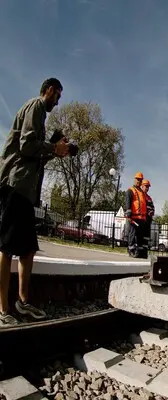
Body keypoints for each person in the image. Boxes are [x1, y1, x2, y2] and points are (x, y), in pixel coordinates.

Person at [0, 78, 70, 326]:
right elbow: (26, 145)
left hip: (27, 191)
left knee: (27, 248)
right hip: (15, 184)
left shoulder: (41, 116)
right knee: (7, 247)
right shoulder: (36, 106)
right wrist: (53, 148)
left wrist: (56, 149)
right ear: (49, 90)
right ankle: (3, 309)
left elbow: (35, 156)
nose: (57, 102)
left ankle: (22, 301)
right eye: (57, 96)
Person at [125, 172, 148, 258]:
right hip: (134, 217)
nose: (139, 181)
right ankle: (131, 250)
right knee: (132, 233)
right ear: (135, 179)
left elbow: (143, 204)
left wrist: (145, 217)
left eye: (140, 180)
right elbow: (128, 203)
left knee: (140, 236)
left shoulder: (141, 192)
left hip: (141, 218)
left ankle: (139, 251)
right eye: (138, 179)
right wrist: (128, 215)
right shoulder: (130, 190)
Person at [141, 179, 154, 252]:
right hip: (142, 218)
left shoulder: (149, 198)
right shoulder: (140, 196)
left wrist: (151, 212)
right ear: (142, 186)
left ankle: (145, 250)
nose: (147, 188)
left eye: (148, 186)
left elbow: (152, 207)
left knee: (146, 235)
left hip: (148, 219)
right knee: (140, 235)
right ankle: (139, 249)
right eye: (146, 186)